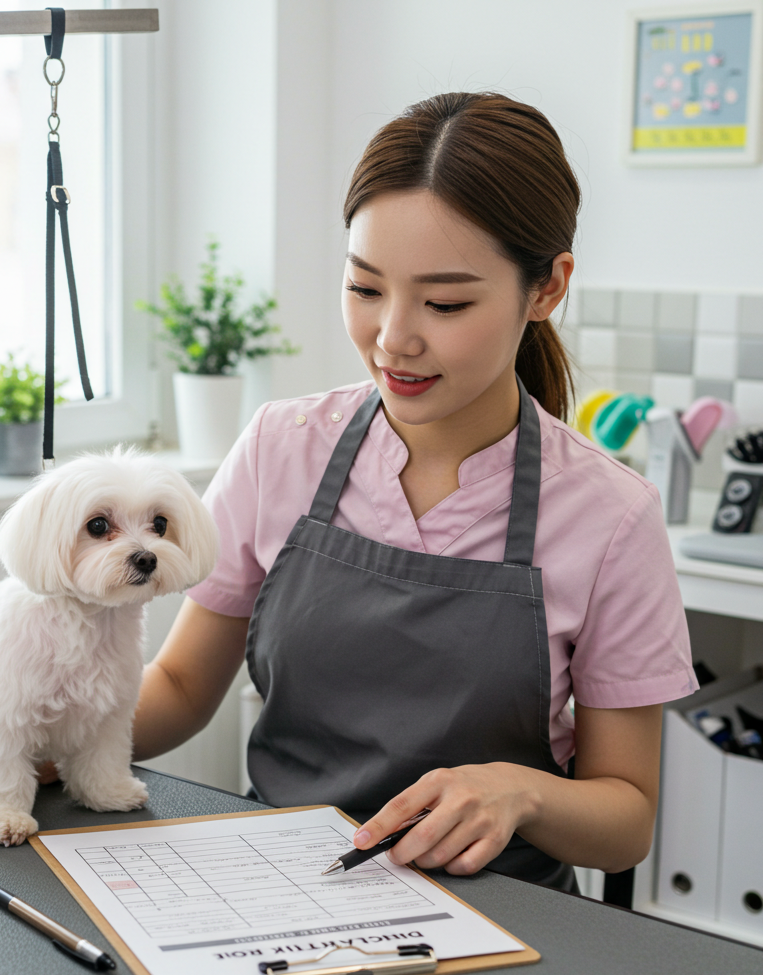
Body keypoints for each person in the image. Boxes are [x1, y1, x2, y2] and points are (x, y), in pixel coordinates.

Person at [132, 92, 695, 891]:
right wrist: (36, 732)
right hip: (281, 895)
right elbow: (183, 688)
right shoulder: (279, 449)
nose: (394, 336)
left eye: (446, 302)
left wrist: (523, 791)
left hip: (509, 923)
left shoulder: (611, 517)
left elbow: (626, 818)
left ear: (546, 289)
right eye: (365, 289)